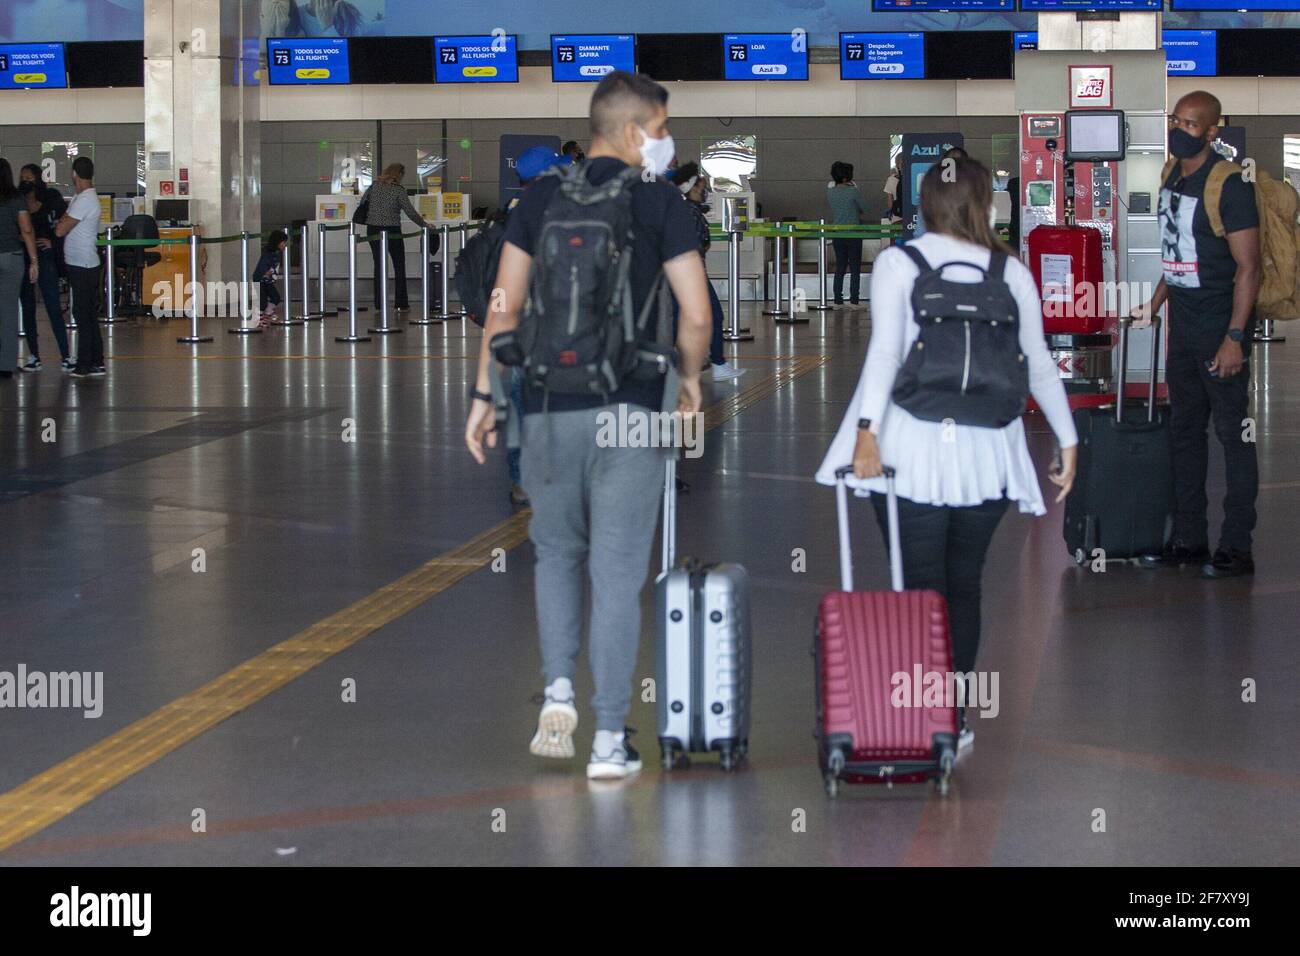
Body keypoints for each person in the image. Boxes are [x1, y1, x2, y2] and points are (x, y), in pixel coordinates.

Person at [465, 71, 712, 780]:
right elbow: (695, 313)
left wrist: (487, 394)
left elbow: (503, 305)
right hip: (632, 407)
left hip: (545, 406)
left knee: (557, 554)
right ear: (634, 132)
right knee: (616, 572)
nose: (666, 143)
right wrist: (688, 379)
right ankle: (609, 739)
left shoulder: (539, 197)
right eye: (662, 130)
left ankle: (559, 692)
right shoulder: (659, 201)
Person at [816, 158, 1078, 749]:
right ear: (987, 203)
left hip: (906, 447)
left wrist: (865, 433)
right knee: (964, 584)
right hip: (989, 451)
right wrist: (1067, 438)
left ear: (924, 202)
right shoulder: (1009, 269)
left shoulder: (897, 263)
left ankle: (923, 718)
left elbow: (885, 354)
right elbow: (1038, 360)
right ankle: (951, 719)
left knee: (919, 585)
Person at [1133, 90, 1260, 579]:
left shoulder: (1229, 185)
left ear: (1212, 131)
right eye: (1176, 121)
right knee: (1184, 434)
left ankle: (1236, 546)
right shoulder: (1170, 176)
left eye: (1191, 125)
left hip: (1219, 326)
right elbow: (1175, 254)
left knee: (1234, 435)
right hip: (1182, 327)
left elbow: (1248, 269)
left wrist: (1234, 337)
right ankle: (1188, 538)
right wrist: (1154, 304)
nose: (1180, 130)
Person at [672, 161, 744, 383]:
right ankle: (718, 364)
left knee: (676, 319)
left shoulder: (682, 210)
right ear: (692, 189)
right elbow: (693, 246)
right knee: (713, 315)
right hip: (691, 275)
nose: (706, 192)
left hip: (678, 275)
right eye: (702, 187)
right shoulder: (691, 214)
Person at [17, 164, 72, 372]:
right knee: (28, 307)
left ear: (38, 179)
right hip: (24, 256)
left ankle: (66, 355)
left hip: (46, 256)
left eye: (29, 177)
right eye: (22, 177)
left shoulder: (51, 197)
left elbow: (63, 221)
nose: (25, 181)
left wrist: (52, 240)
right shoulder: (18, 200)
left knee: (53, 306)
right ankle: (34, 356)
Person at [358, 163, 430, 313]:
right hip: (392, 231)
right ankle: (401, 303)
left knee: (379, 265)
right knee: (399, 265)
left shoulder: (374, 187)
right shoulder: (399, 190)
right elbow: (410, 212)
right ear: (399, 174)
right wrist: (424, 224)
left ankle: (379, 304)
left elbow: (362, 203)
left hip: (373, 229)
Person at [56, 156, 104, 378]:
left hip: (83, 264)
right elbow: (65, 222)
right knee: (87, 314)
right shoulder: (81, 197)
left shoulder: (84, 200)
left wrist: (63, 220)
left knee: (82, 314)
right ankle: (96, 360)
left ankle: (85, 363)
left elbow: (60, 229)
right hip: (80, 263)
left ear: (74, 173)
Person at [0, 159, 40, 380]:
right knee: (8, 312)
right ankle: (6, 364)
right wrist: (34, 260)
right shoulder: (16, 198)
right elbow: (26, 229)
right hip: (12, 257)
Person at [827, 161, 869, 306]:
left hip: (837, 233)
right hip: (854, 233)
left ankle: (838, 300)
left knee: (840, 267)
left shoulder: (830, 192)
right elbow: (865, 208)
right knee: (855, 268)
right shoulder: (853, 191)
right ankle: (854, 301)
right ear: (846, 177)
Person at [253, 230, 288, 326]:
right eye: (284, 243)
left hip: (267, 281)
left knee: (275, 297)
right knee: (262, 301)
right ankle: (259, 319)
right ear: (278, 243)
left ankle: (267, 314)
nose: (285, 245)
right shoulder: (268, 254)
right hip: (261, 280)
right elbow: (263, 268)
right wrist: (267, 274)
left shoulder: (275, 254)